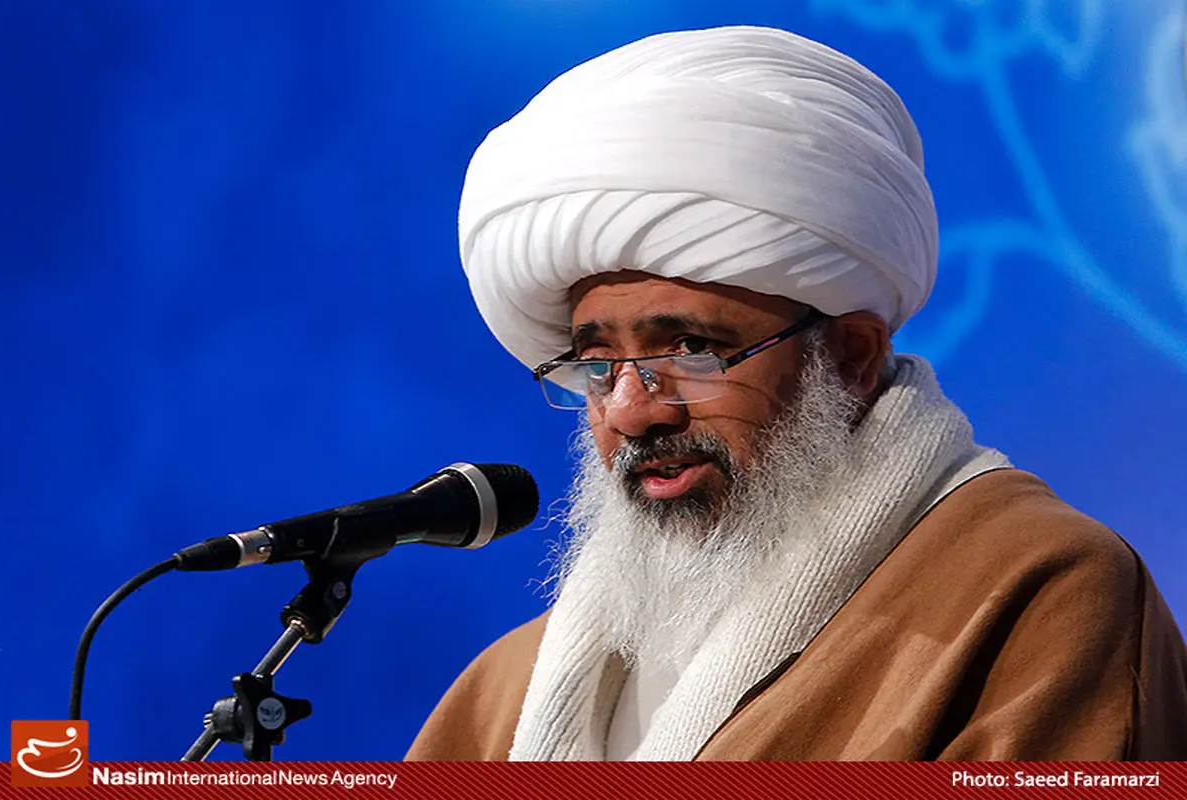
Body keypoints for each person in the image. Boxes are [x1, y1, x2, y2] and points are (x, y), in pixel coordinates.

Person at [405, 25, 1187, 761]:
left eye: (692, 350)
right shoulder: (505, 696)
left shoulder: (1031, 588)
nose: (632, 411)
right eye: (598, 365)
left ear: (849, 356)